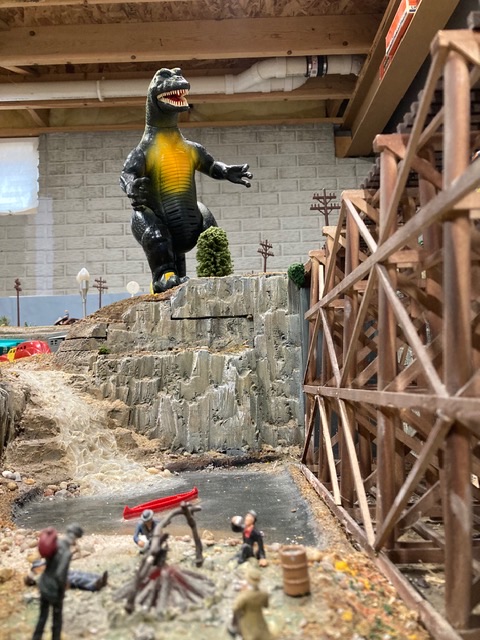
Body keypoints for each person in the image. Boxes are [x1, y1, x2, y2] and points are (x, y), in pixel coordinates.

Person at [32, 523, 84, 640]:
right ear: (75, 537)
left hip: (44, 583)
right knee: (57, 619)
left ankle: (36, 637)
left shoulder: (55, 544)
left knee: (42, 617)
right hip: (54, 589)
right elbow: (60, 574)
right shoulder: (66, 553)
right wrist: (64, 586)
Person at [228, 565, 272, 640]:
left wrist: (242, 593)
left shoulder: (244, 597)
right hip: (259, 620)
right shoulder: (264, 594)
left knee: (245, 633)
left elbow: (235, 608)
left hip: (247, 622)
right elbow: (266, 605)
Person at [25, 559, 108, 592]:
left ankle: (97, 577)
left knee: (79, 573)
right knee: (77, 578)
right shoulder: (40, 577)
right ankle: (94, 585)